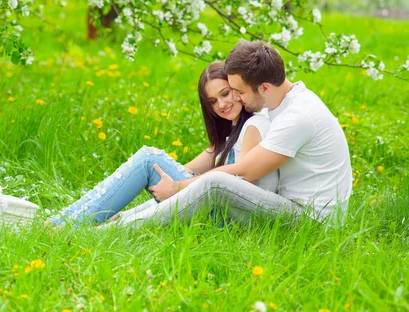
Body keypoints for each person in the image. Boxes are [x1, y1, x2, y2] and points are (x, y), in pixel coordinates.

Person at [111, 40, 353, 228]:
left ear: (264, 87)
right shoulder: (282, 103)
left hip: (311, 221)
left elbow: (245, 171)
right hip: (294, 208)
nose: (236, 98)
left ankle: (116, 231)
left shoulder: (298, 116)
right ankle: (122, 220)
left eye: (239, 92)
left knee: (216, 183)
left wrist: (179, 186)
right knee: (209, 180)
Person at [47, 61, 278, 226]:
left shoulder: (253, 126)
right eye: (213, 101)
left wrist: (173, 185)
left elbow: (242, 182)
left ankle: (68, 223)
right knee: (149, 163)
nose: (221, 104)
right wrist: (135, 209)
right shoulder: (229, 137)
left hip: (230, 217)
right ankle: (62, 221)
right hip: (219, 210)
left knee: (149, 159)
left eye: (226, 93)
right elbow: (187, 170)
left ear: (238, 88)